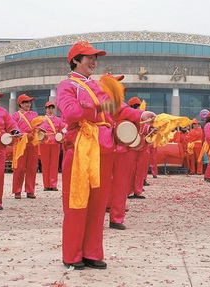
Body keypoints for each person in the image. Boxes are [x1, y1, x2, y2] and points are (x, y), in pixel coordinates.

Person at [55, 41, 155, 270]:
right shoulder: (67, 85)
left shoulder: (97, 86)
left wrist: (141, 115)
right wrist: (97, 107)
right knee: (77, 202)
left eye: (95, 58)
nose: (93, 61)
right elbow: (70, 113)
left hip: (103, 147)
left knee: (99, 203)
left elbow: (118, 110)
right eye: (88, 57)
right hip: (81, 147)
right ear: (75, 61)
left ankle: (91, 252)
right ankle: (72, 254)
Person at [11, 94, 39, 199]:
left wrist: (37, 132)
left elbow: (40, 125)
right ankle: (17, 191)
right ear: (20, 104)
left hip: (32, 143)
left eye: (29, 102)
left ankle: (30, 190)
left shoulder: (34, 114)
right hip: (20, 143)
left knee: (32, 167)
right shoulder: (15, 116)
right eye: (26, 102)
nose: (29, 104)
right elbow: (13, 128)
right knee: (20, 167)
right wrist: (25, 134)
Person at [39, 101, 65, 191]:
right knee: (45, 164)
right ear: (45, 109)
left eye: (52, 108)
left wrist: (62, 136)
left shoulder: (58, 120)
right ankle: (46, 185)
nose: (51, 110)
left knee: (54, 164)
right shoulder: (41, 119)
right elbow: (37, 130)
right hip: (44, 142)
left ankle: (53, 184)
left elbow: (64, 129)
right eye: (49, 108)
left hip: (55, 142)